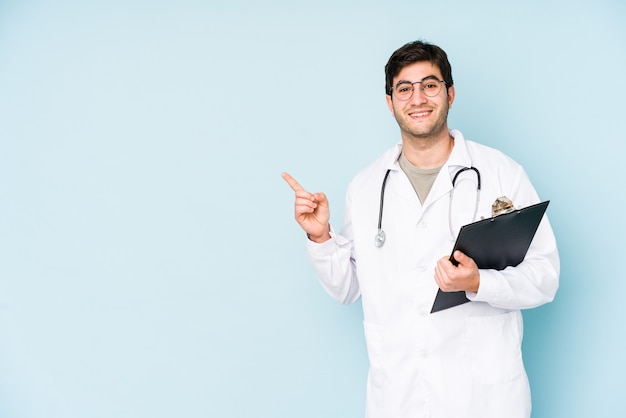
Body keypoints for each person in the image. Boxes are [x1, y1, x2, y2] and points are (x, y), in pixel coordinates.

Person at [281, 40, 559, 418]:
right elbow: (347, 288)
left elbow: (545, 276)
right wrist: (320, 237)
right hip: (399, 396)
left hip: (485, 399)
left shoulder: (500, 173)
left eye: (430, 85)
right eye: (404, 88)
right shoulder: (365, 188)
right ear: (390, 101)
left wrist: (480, 283)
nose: (418, 98)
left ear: (450, 93)